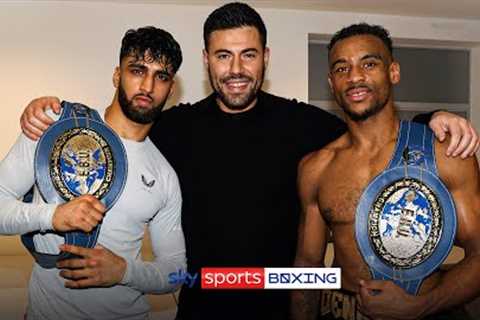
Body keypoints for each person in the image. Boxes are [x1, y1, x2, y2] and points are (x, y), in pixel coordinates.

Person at [19, 3, 479, 320]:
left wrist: (431, 117)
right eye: (223, 56)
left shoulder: (305, 125)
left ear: (265, 58)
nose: (236, 68)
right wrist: (56, 113)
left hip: (283, 303)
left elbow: (373, 128)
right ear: (206, 61)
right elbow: (118, 125)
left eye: (248, 55)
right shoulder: (174, 127)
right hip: (200, 300)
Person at [292, 23, 480, 320]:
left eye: (368, 63)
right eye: (342, 69)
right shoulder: (317, 167)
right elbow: (307, 266)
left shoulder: (445, 154)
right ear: (331, 83)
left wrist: (421, 307)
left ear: (393, 72)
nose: (354, 77)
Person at [0, 26, 186, 319]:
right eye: (137, 70)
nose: (148, 86)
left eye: (160, 76)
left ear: (170, 89)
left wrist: (125, 271)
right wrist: (53, 216)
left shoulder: (164, 176)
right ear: (117, 75)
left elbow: (176, 274)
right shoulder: (55, 124)